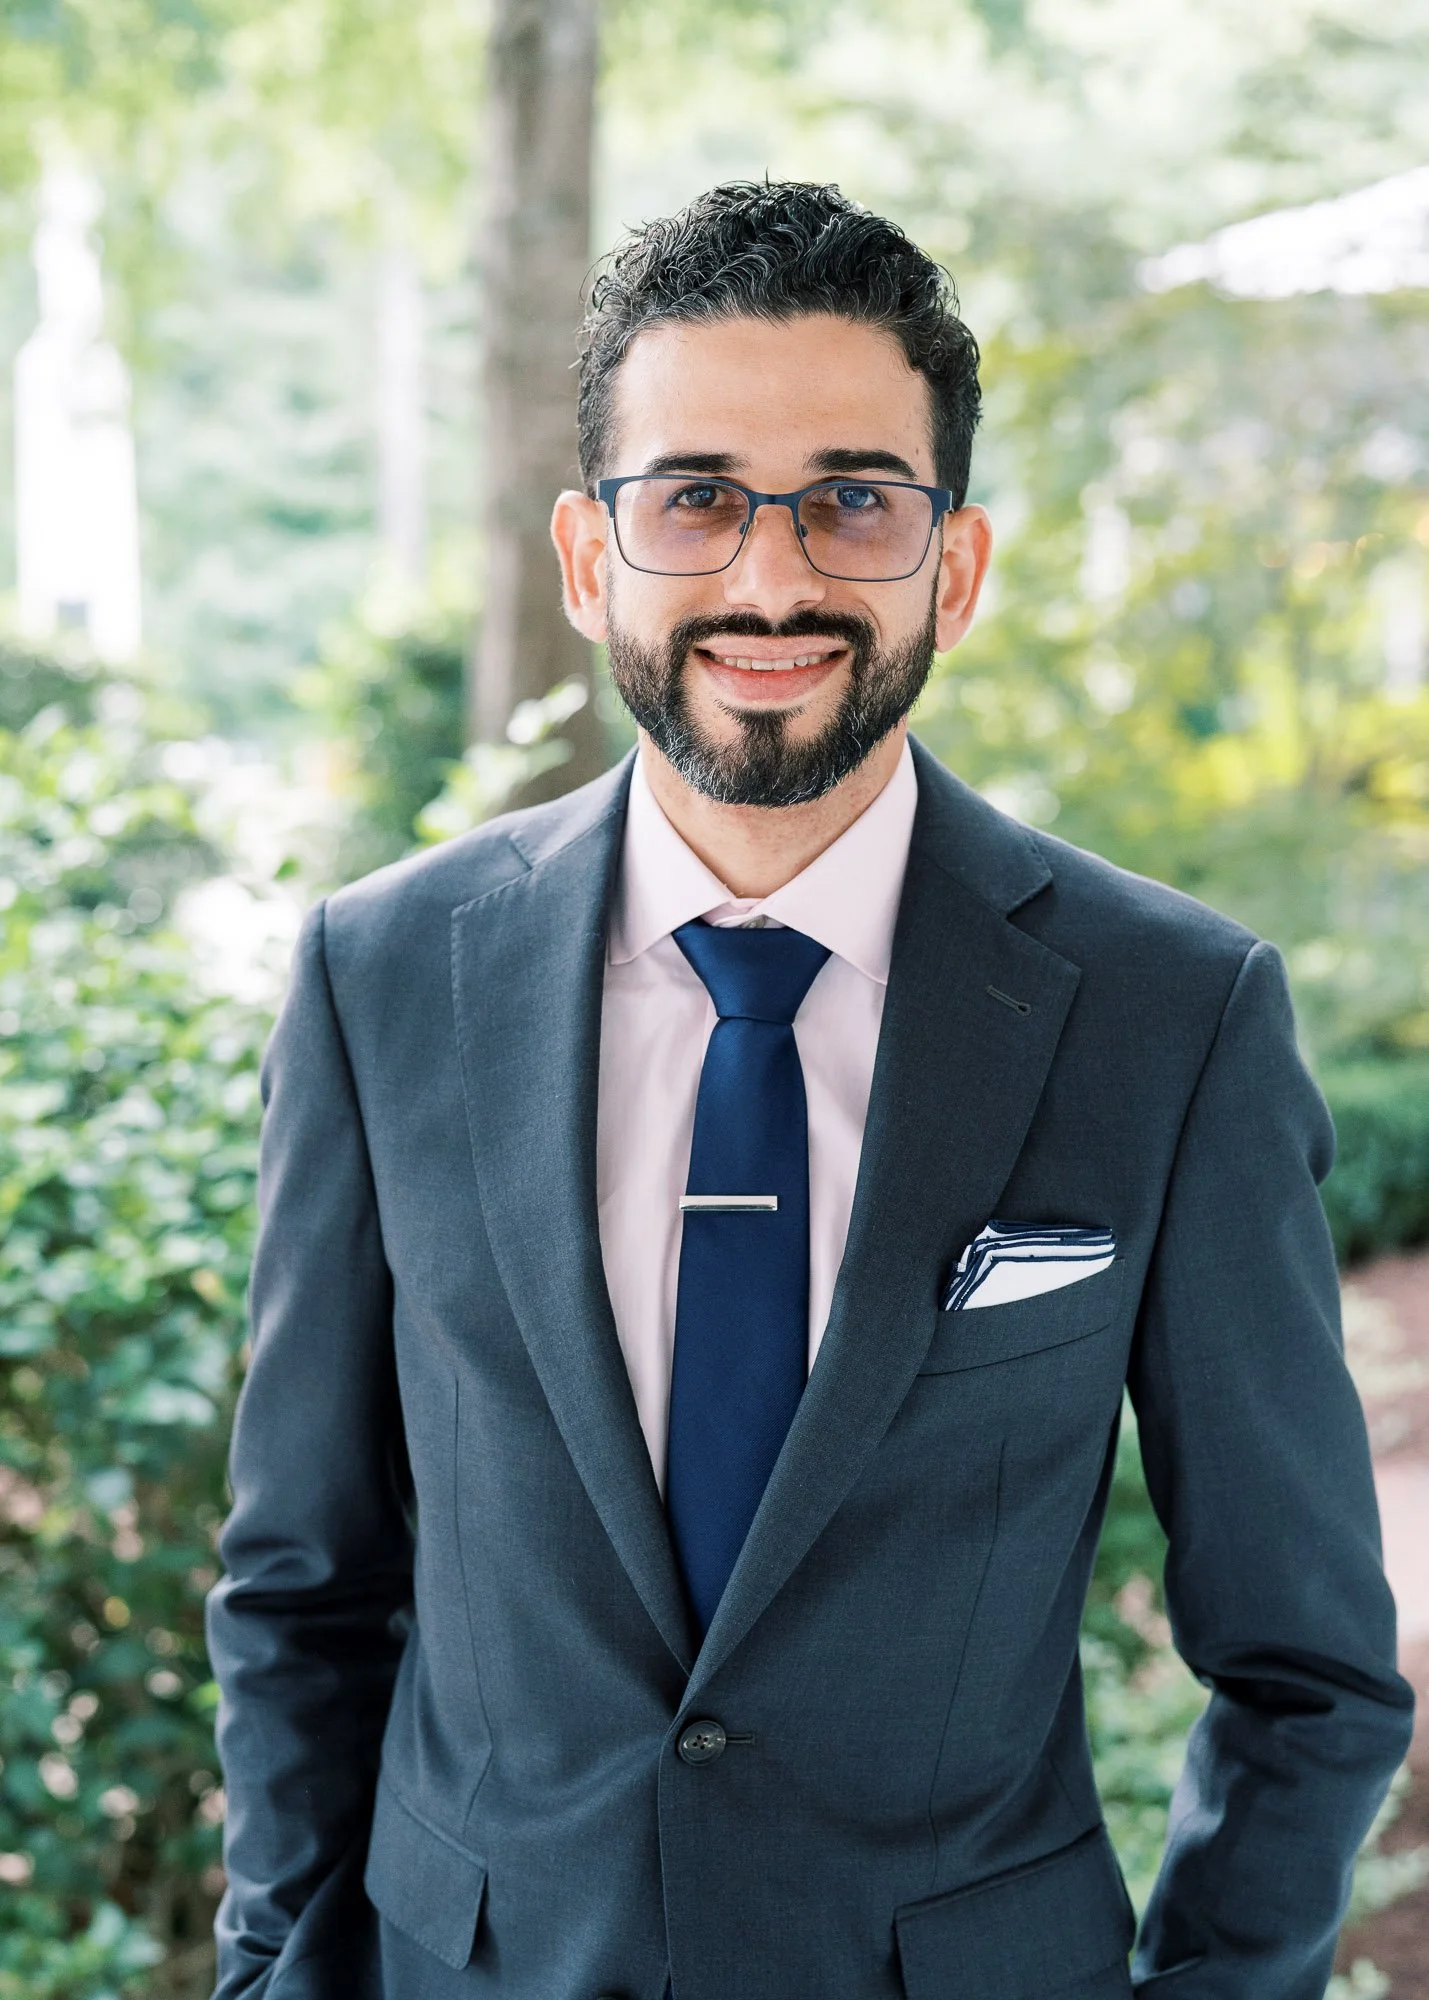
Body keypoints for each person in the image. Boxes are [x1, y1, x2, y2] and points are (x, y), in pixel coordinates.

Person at [207, 181, 1412, 2000]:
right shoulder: (382, 981)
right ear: (588, 556)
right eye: (695, 497)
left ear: (958, 561)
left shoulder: (1175, 1015)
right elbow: (303, 1586)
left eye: (855, 498)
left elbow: (1309, 1668)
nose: (772, 579)